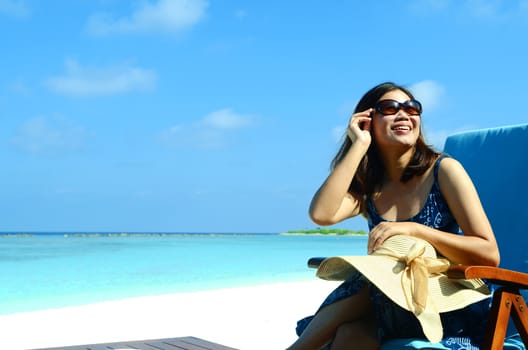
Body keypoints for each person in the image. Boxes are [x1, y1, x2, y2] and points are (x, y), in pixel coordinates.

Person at [286, 82, 500, 350]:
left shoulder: (444, 171)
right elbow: (321, 214)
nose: (404, 114)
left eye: (412, 108)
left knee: (373, 277)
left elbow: (489, 253)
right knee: (350, 335)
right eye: (390, 108)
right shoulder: (373, 188)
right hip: (387, 306)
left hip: (446, 307)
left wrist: (415, 230)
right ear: (368, 121)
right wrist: (358, 145)